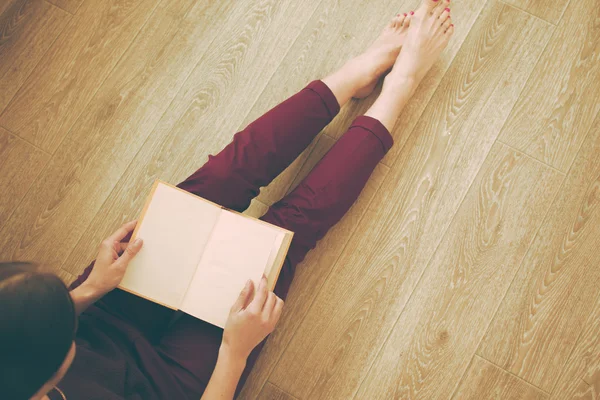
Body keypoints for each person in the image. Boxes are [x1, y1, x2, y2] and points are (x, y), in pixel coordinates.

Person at [0, 1, 453, 399]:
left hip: (98, 325)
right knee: (281, 242)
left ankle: (356, 72)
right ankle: (400, 85)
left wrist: (87, 291)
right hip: (165, 389)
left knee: (216, 182)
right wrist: (236, 353)